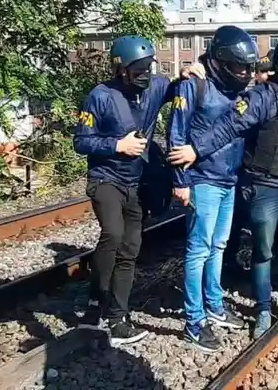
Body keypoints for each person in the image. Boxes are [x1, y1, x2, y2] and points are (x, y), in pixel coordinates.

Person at [169, 35, 278, 339]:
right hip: (263, 188)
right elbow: (229, 127)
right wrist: (195, 150)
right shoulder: (260, 97)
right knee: (262, 250)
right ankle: (264, 308)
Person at [74, 35, 181, 344]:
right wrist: (117, 145)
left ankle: (118, 316)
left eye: (149, 67)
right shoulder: (101, 95)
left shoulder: (156, 88)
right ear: (122, 69)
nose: (146, 74)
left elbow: (178, 89)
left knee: (131, 249)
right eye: (138, 69)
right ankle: (96, 302)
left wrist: (193, 72)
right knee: (113, 234)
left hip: (135, 182)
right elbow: (81, 141)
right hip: (105, 177)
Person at [167, 26, 257, 351]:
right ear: (220, 60)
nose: (244, 73)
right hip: (202, 180)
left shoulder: (236, 90)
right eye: (239, 67)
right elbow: (176, 134)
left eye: (249, 68)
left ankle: (215, 304)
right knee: (198, 250)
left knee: (218, 246)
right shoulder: (194, 85)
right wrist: (180, 180)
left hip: (228, 180)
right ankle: (194, 320)